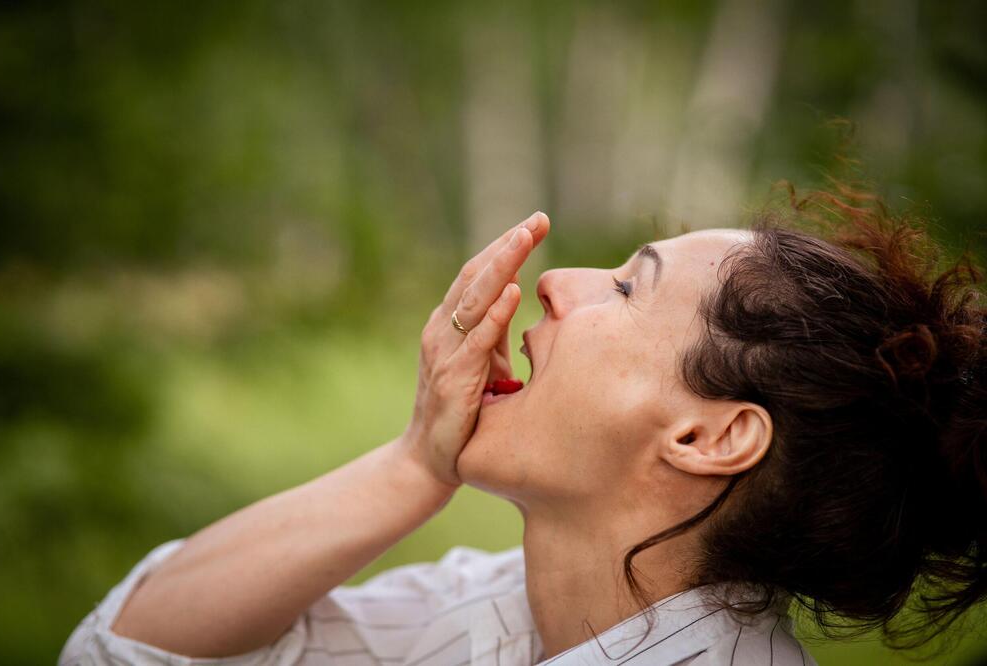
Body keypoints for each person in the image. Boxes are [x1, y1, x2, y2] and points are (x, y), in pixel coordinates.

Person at [59, 183, 986, 665]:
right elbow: (122, 652)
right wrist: (415, 465)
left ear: (709, 438)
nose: (555, 281)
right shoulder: (508, 605)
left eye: (628, 287)